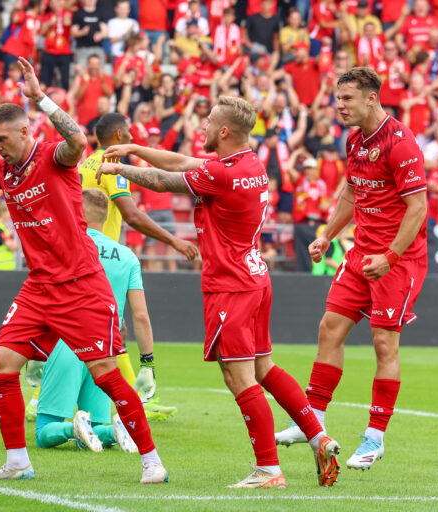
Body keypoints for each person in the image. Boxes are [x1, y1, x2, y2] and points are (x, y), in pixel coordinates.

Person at [0, 57, 168, 484]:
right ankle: (18, 461)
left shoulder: (52, 157)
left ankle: (151, 461)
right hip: (39, 288)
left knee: (106, 374)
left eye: (2, 138)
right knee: (1, 365)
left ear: (25, 130)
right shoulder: (3, 172)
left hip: (81, 285)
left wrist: (40, 98)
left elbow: (77, 142)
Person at [96, 94, 341, 489]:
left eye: (209, 122)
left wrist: (119, 170)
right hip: (255, 277)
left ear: (224, 131)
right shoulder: (249, 163)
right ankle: (318, 435)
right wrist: (134, 149)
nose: (203, 128)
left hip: (230, 285)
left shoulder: (221, 175)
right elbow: (182, 162)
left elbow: (168, 180)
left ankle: (268, 469)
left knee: (238, 375)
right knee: (264, 369)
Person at [274, 67, 428, 470]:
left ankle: (374, 438)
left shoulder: (401, 143)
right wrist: (327, 235)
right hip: (361, 254)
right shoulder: (355, 140)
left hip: (400, 259)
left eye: (347, 99)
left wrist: (391, 257)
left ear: (371, 98)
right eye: (337, 98)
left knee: (383, 342)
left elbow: (418, 208)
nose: (339, 106)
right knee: (329, 328)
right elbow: (352, 191)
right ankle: (312, 421)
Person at [76, 111, 198, 418]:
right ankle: (138, 401)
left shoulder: (86, 164)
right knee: (106, 328)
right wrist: (175, 241)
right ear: (118, 136)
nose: (132, 136)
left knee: (110, 327)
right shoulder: (113, 166)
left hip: (83, 249)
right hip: (101, 253)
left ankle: (137, 400)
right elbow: (131, 215)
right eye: (128, 132)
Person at [35, 189, 151, 454]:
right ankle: (115, 430)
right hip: (105, 349)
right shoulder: (127, 256)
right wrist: (148, 362)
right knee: (97, 426)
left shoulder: (64, 246)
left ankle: (71, 428)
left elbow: (44, 300)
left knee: (44, 432)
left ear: (77, 211)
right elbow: (141, 316)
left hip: (67, 343)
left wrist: (35, 351)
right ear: (107, 215)